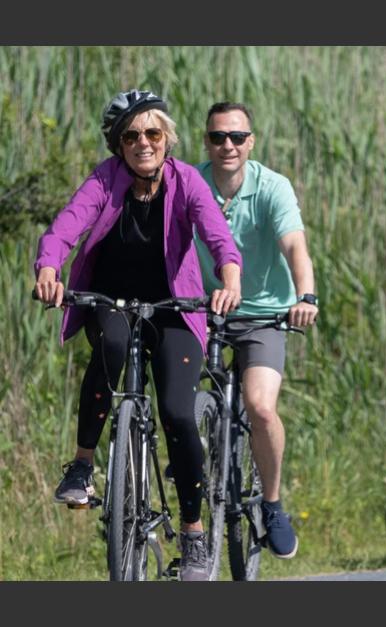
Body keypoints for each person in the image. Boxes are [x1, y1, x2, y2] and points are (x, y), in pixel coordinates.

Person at [34, 89, 243, 581]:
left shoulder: (186, 180)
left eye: (152, 132)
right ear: (119, 144)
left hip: (176, 308)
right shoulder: (105, 181)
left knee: (175, 410)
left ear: (166, 137)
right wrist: (48, 266)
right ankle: (83, 466)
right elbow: (65, 227)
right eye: (131, 135)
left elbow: (216, 235)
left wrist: (229, 277)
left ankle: (192, 534)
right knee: (107, 348)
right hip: (113, 302)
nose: (143, 143)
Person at [194, 102, 318, 560]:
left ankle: (271, 504)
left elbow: (294, 245)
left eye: (237, 137)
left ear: (252, 141)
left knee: (261, 407)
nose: (228, 145)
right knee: (176, 395)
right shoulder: (190, 182)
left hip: (264, 313)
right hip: (202, 309)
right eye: (218, 137)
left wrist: (306, 297)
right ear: (205, 141)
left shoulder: (272, 187)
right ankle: (191, 466)